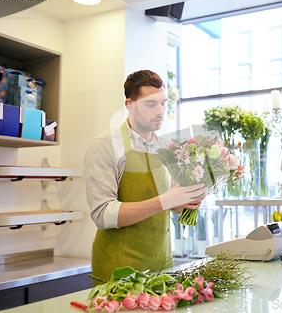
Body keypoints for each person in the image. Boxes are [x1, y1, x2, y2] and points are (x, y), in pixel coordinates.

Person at [85, 70, 206, 285]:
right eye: (151, 104)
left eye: (163, 103)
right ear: (129, 105)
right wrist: (167, 200)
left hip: (162, 263)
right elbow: (103, 214)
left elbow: (172, 205)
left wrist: (187, 200)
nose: (160, 111)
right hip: (119, 268)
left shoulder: (166, 148)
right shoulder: (105, 145)